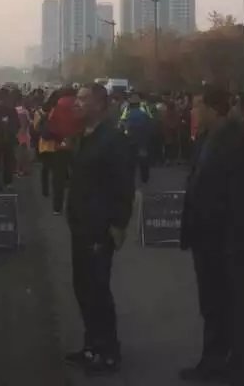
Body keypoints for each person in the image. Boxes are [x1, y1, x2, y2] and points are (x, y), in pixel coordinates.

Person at [179, 84, 244, 386]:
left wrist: (235, 240)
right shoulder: (205, 138)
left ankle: (241, 370)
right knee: (212, 305)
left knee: (236, 308)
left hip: (228, 241)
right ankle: (213, 361)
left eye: (197, 106)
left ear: (213, 109)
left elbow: (242, 198)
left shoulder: (237, 142)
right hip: (206, 239)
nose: (193, 111)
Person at [64, 83, 134, 376]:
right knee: (83, 288)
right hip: (80, 226)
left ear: (99, 104)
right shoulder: (84, 136)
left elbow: (124, 185)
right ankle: (91, 345)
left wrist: (119, 224)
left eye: (83, 99)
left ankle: (108, 351)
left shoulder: (112, 139)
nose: (76, 103)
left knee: (98, 290)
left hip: (99, 228)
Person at [122, 93, 154, 185]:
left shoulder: (127, 115)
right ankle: (145, 178)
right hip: (142, 140)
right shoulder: (144, 114)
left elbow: (123, 126)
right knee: (143, 159)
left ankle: (130, 178)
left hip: (130, 140)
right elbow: (149, 126)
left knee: (131, 161)